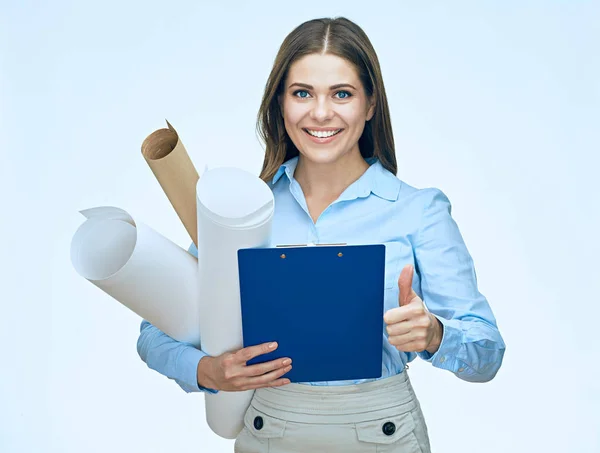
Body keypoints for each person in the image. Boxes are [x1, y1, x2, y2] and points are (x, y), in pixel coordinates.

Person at [137, 16, 506, 452]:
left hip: (383, 436)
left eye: (342, 94)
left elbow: (488, 354)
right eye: (302, 93)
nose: (320, 112)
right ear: (280, 103)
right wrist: (206, 371)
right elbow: (155, 332)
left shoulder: (419, 212)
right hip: (267, 433)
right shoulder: (241, 213)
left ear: (370, 105)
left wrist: (435, 334)